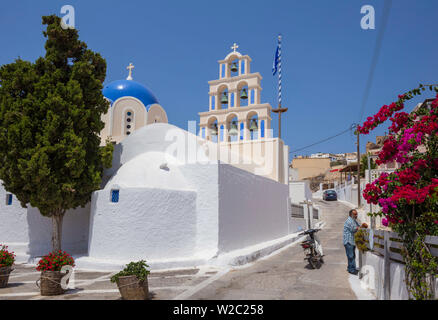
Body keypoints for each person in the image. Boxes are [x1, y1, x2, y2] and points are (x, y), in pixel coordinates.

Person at [343, 209, 367, 275]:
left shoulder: (353, 220)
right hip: (348, 240)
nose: (356, 215)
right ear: (351, 215)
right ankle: (352, 270)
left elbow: (358, 226)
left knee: (351, 255)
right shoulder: (349, 221)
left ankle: (350, 267)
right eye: (355, 214)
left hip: (351, 241)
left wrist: (361, 226)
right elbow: (353, 229)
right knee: (351, 256)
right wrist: (361, 227)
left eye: (356, 214)